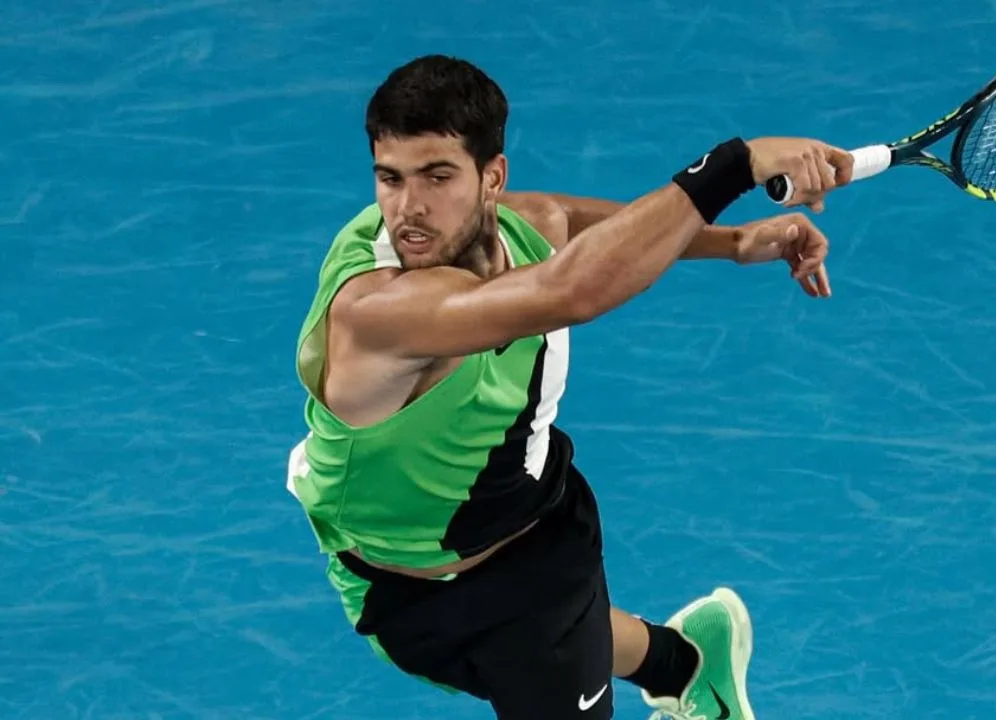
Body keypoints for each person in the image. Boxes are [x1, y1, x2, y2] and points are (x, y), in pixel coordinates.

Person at [284, 53, 852, 720]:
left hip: (535, 546)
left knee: (547, 639)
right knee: (543, 639)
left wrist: (729, 242)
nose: (409, 209)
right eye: (390, 178)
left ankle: (685, 670)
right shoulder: (378, 312)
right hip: (392, 587)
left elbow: (559, 216)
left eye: (437, 177)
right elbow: (573, 288)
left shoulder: (514, 230)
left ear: (491, 177)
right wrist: (735, 165)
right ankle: (685, 660)